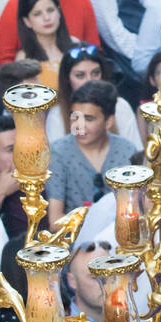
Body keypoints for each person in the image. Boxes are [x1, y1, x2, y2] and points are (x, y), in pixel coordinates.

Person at [47, 81, 136, 222]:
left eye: (89, 119)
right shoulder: (58, 153)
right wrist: (88, 218)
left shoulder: (127, 151)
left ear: (108, 122)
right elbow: (55, 221)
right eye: (75, 117)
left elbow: (138, 210)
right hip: (75, 240)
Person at [46, 45, 140, 147]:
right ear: (67, 80)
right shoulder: (57, 115)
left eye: (95, 73)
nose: (89, 80)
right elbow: (55, 160)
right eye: (80, 75)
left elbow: (136, 151)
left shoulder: (120, 106)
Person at [14, 0, 76, 91]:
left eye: (50, 10)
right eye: (37, 14)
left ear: (59, 12)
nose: (47, 18)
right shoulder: (23, 58)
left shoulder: (75, 44)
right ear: (27, 21)